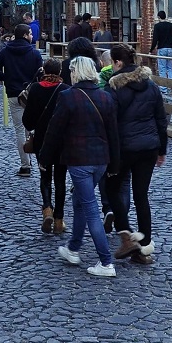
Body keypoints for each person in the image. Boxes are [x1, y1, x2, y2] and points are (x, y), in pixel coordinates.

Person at [40, 55, 120, 277]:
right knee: (79, 202)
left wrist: (45, 158)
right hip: (101, 160)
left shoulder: (68, 97)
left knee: (90, 209)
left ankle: (106, 262)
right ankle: (73, 247)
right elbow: (113, 133)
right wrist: (114, 163)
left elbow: (54, 130)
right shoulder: (105, 97)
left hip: (79, 160)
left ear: (76, 72)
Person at [104, 45, 167, 264]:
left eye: (113, 62)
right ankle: (144, 246)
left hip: (124, 147)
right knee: (141, 195)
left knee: (112, 189)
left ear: (118, 63)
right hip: (149, 146)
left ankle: (126, 234)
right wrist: (162, 149)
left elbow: (109, 120)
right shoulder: (150, 85)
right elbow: (161, 118)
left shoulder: (113, 87)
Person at [21, 57, 70, 233]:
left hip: (42, 140)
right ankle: (59, 220)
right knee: (60, 180)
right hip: (62, 140)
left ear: (44, 71)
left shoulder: (35, 89)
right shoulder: (65, 90)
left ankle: (47, 208)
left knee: (45, 177)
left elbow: (27, 120)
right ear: (60, 72)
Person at [0, 25, 44, 176]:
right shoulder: (34, 53)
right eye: (31, 33)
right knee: (33, 129)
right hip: (32, 94)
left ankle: (25, 165)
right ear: (25, 35)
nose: (32, 36)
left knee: (20, 130)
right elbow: (40, 75)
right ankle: (39, 162)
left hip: (14, 93)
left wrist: (5, 78)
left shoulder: (6, 51)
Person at [151, 11, 172, 80]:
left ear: (159, 17)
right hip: (171, 48)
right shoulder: (171, 25)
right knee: (170, 68)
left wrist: (151, 49)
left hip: (161, 48)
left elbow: (155, 39)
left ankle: (164, 89)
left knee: (162, 69)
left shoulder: (157, 26)